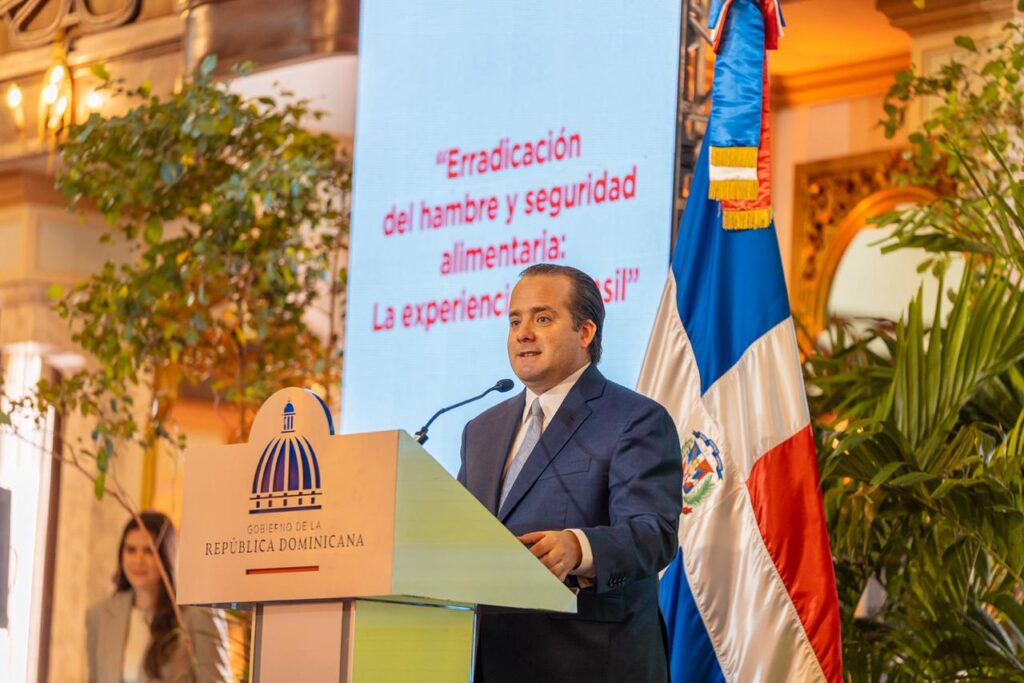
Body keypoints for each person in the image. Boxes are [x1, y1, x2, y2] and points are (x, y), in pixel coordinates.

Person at [458, 263, 683, 682]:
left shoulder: (634, 419)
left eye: (543, 318)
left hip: (592, 662)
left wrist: (579, 547)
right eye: (515, 321)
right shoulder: (481, 431)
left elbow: (654, 533)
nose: (523, 333)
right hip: (491, 662)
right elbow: (459, 535)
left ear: (585, 332)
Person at [86, 512, 232, 683]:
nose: (138, 560)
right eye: (131, 550)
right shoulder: (100, 616)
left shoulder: (199, 615)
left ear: (166, 554)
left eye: (149, 550)